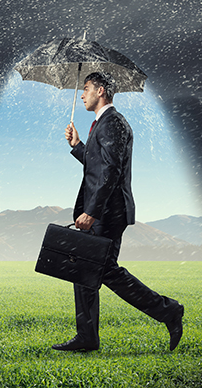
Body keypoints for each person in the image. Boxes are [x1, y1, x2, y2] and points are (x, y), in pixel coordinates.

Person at [52, 71, 184, 352]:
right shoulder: (103, 124)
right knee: (84, 270)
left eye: (86, 88)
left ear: (101, 90)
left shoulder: (113, 123)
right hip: (104, 210)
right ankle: (87, 336)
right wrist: (77, 147)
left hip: (108, 212)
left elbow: (111, 172)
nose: (82, 94)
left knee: (105, 271)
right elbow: (99, 165)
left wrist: (92, 212)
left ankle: (168, 310)